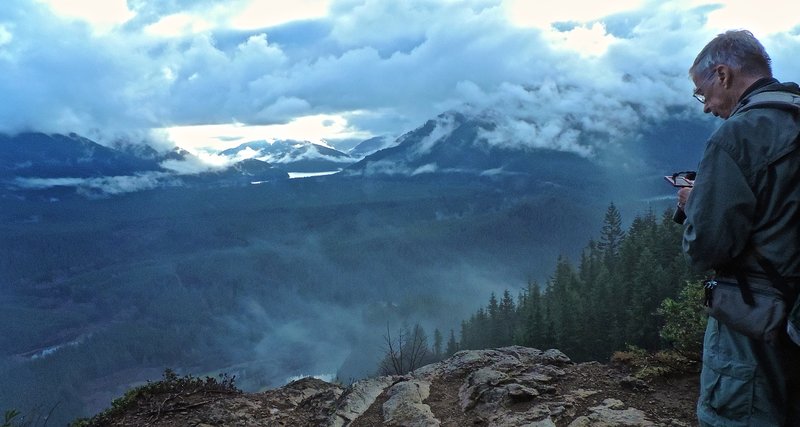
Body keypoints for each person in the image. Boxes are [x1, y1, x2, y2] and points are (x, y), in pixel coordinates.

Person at [679, 29, 800, 426]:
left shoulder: (737, 136)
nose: (706, 107)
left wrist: (695, 203)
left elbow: (708, 248)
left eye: (703, 93)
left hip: (757, 321)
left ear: (723, 74)